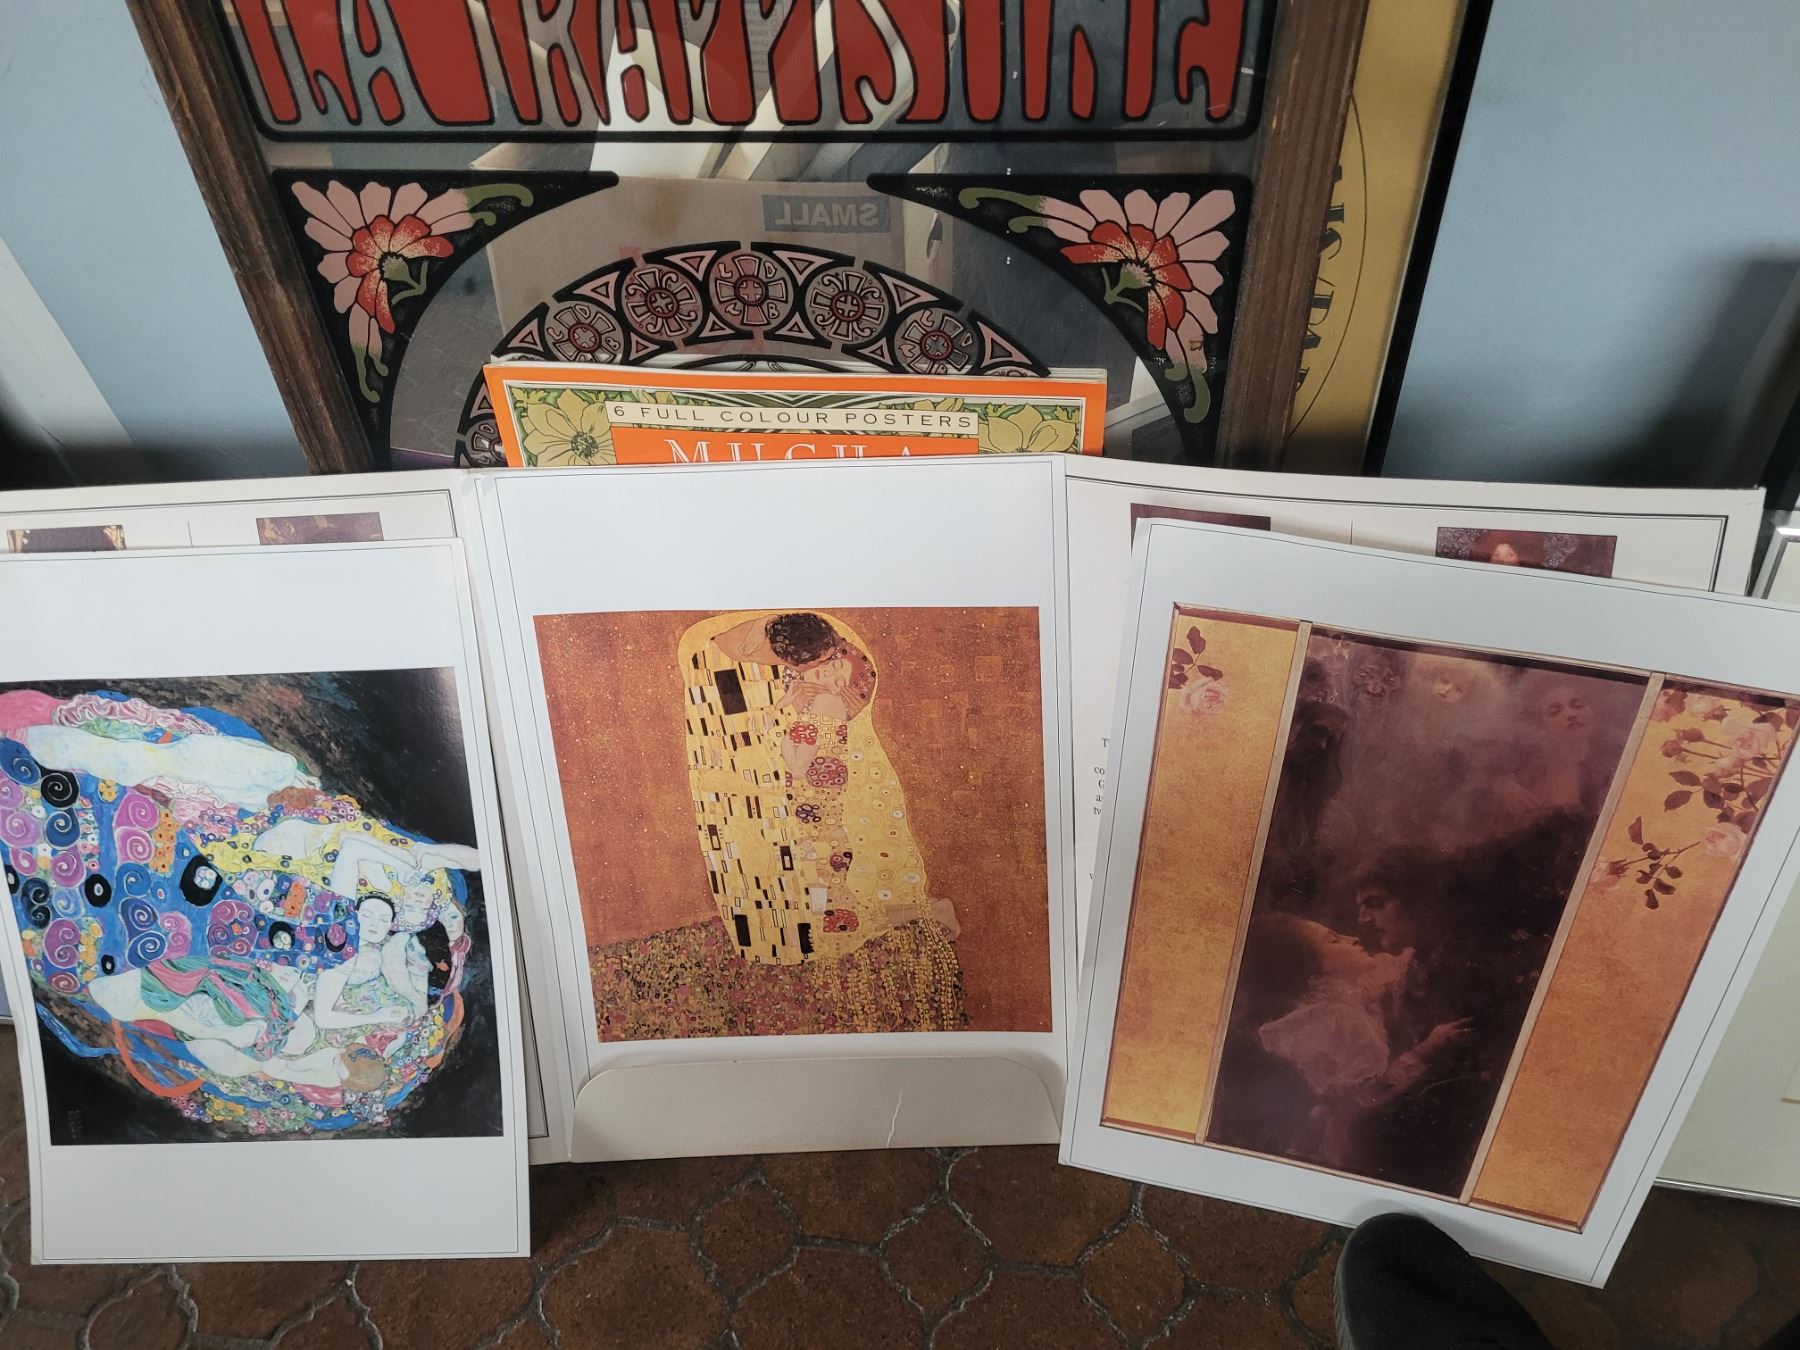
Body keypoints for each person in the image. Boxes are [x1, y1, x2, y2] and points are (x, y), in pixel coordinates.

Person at [683, 610, 959, 965]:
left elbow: (796, 754)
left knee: (827, 905)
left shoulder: (820, 694)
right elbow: (739, 738)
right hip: (786, 805)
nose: (829, 672)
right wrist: (789, 711)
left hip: (810, 810)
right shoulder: (726, 665)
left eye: (833, 666)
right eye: (822, 667)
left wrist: (800, 714)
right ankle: (922, 912)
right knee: (817, 903)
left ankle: (923, 912)